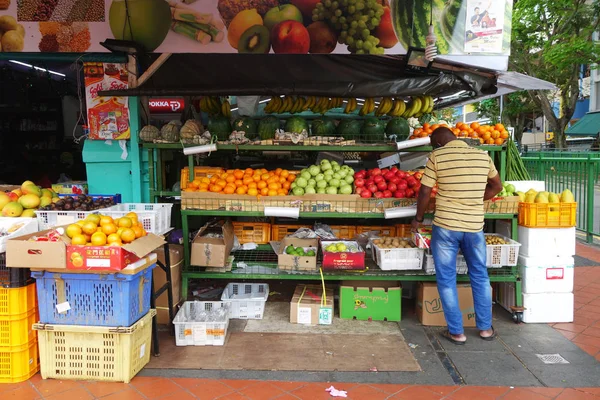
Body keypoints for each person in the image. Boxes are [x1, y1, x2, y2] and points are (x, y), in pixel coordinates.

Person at [411, 127, 502, 345]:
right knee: (480, 276)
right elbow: (497, 186)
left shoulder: (438, 156)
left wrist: (419, 217)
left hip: (446, 227)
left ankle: (457, 332)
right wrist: (476, 200)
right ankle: (485, 329)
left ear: (438, 143)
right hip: (474, 227)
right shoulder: (483, 155)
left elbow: (425, 191)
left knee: (447, 278)